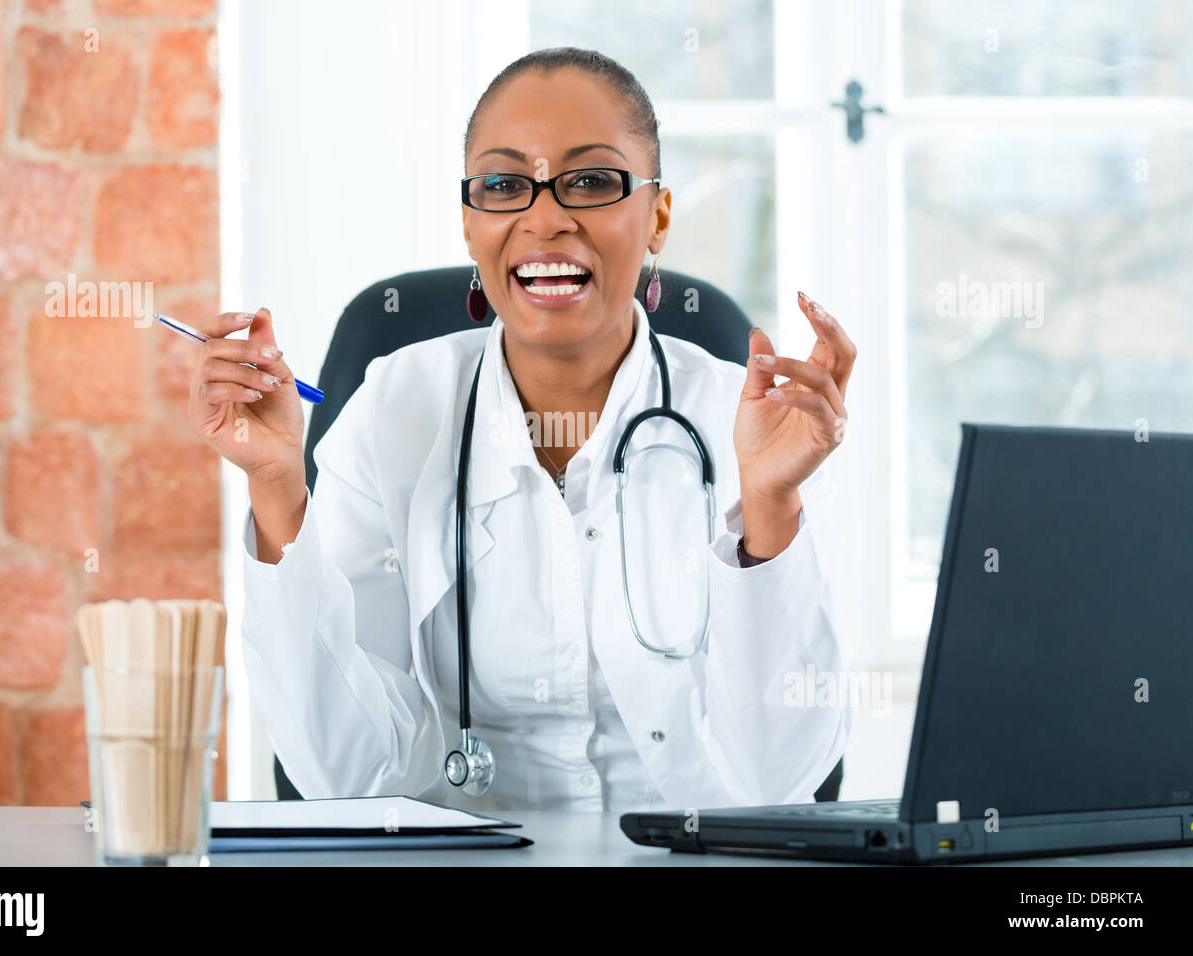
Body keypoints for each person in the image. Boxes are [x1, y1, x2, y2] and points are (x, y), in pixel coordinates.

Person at [187, 47, 858, 813]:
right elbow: (343, 780)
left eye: (593, 181)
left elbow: (780, 784)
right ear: (471, 222)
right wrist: (276, 487)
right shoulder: (391, 410)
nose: (545, 218)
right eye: (505, 185)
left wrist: (769, 511)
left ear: (658, 218)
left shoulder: (752, 426)